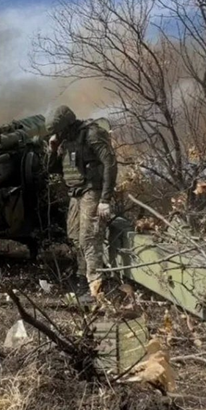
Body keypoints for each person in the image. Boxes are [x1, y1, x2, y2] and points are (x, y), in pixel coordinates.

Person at [45, 105, 117, 296]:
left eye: (59, 130)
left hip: (92, 190)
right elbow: (52, 169)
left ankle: (96, 286)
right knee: (75, 237)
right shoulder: (65, 141)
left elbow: (110, 163)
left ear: (67, 125)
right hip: (76, 193)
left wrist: (105, 199)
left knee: (89, 238)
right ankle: (82, 281)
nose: (58, 134)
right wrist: (53, 150)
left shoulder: (92, 135)